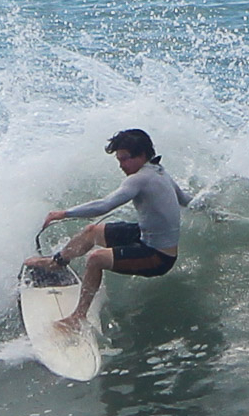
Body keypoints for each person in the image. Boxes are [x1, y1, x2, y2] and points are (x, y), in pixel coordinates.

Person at [25, 129, 192, 330]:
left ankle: (78, 317)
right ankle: (56, 263)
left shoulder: (139, 179)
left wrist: (63, 213)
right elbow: (186, 200)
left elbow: (105, 205)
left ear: (141, 155)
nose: (121, 165)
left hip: (158, 256)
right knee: (92, 232)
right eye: (119, 160)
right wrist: (213, 210)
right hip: (144, 235)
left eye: (125, 159)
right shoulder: (159, 171)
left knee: (96, 259)